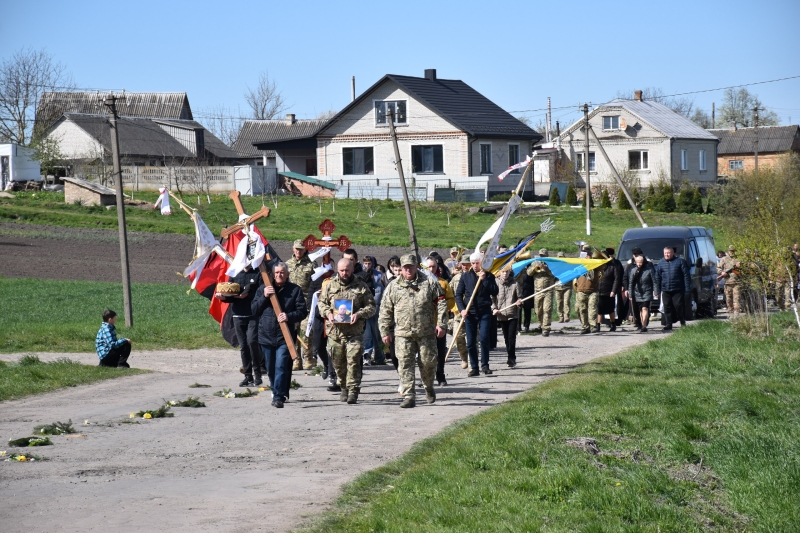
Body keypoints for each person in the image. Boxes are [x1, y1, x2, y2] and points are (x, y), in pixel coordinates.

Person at [380, 254, 448, 408]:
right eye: (405, 267)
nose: (408, 270)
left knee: (428, 363)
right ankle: (409, 395)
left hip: (426, 333)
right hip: (403, 334)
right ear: (401, 268)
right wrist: (385, 331)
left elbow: (442, 303)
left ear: (416, 266)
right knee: (404, 364)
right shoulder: (393, 286)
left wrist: (442, 324)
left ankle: (428, 386)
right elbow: (385, 310)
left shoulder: (429, 282)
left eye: (411, 266)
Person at [318, 258, 376, 404]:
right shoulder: (330, 285)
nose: (344, 273)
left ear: (352, 269)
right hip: (335, 333)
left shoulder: (361, 286)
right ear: (338, 269)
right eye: (342, 270)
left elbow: (371, 307)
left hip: (354, 332)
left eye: (347, 270)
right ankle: (343, 386)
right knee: (338, 363)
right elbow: (321, 303)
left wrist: (359, 314)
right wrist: (328, 313)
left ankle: (353, 390)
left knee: (354, 361)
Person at [251, 262, 307, 408]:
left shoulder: (295, 290)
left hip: (285, 336)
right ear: (272, 274)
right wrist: (264, 296)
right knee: (270, 368)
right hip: (266, 335)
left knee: (281, 366)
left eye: (282, 272)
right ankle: (277, 390)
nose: (279, 275)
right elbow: (254, 310)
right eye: (276, 273)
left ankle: (278, 397)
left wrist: (289, 316)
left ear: (287, 274)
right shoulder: (263, 289)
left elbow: (302, 311)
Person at [217, 264, 264, 386]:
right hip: (237, 315)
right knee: (243, 346)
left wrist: (247, 295)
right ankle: (248, 376)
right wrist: (222, 298)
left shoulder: (258, 273)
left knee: (252, 342)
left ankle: (258, 374)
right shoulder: (235, 273)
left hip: (253, 314)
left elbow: (261, 294)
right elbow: (229, 293)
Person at [455, 252, 499, 376]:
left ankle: (485, 365)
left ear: (482, 263)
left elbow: (495, 291)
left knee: (484, 338)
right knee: (470, 341)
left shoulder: (489, 275)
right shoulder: (465, 276)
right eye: (473, 263)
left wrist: (484, 280)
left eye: (477, 263)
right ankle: (474, 367)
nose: (474, 266)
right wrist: (462, 309)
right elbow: (458, 294)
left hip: (484, 311)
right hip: (470, 313)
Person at [286, 239, 317, 370]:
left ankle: (308, 357)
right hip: (291, 304)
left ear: (305, 250)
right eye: (297, 248)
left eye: (301, 249)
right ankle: (296, 359)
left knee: (306, 331)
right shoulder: (287, 264)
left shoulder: (312, 264)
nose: (298, 251)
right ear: (293, 249)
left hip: (306, 303)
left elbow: (316, 283)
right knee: (292, 332)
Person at [425, 256, 453, 385]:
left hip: (439, 323)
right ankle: (426, 377)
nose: (431, 269)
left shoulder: (443, 283)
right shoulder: (420, 284)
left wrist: (441, 304)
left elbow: (451, 301)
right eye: (429, 267)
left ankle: (440, 375)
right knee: (425, 353)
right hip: (424, 324)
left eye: (433, 266)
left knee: (440, 351)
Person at [655, 246, 692, 331]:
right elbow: (657, 277)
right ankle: (669, 324)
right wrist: (657, 290)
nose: (667, 255)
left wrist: (687, 289)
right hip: (665, 289)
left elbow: (686, 276)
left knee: (678, 306)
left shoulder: (680, 261)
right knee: (666, 307)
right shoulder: (661, 263)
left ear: (673, 253)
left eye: (668, 253)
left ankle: (682, 321)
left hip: (677, 289)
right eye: (665, 253)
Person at [492, 269, 522, 367]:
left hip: (512, 314)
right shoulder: (495, 283)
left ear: (510, 273)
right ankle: (510, 355)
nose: (505, 274)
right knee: (506, 338)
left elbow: (520, 297)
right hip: (501, 314)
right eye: (503, 271)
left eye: (507, 272)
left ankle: (511, 358)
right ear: (499, 272)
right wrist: (494, 308)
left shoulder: (515, 283)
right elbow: (492, 298)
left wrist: (519, 302)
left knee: (511, 337)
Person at [361, 255, 387, 365]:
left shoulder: (379, 287)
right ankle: (367, 355)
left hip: (377, 314)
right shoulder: (363, 287)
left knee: (378, 337)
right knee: (367, 337)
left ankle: (380, 357)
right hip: (366, 315)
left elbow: (384, 300)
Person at [448, 254, 472, 369]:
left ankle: (473, 362)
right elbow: (449, 293)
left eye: (468, 264)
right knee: (458, 338)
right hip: (458, 314)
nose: (465, 266)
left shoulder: (475, 277)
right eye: (463, 264)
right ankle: (463, 357)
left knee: (473, 340)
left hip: (472, 313)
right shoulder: (456, 279)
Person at [627, 252, 660, 333]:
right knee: (640, 310)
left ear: (643, 262)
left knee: (645, 308)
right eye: (637, 262)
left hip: (647, 292)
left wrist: (656, 292)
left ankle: (644, 325)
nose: (639, 264)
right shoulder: (633, 271)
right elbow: (631, 283)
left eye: (640, 262)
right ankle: (642, 325)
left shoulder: (649, 270)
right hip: (637, 293)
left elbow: (654, 282)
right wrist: (630, 294)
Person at [528, 248, 556, 337]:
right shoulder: (534, 263)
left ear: (547, 256)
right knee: (538, 310)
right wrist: (534, 268)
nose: (542, 257)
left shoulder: (551, 264)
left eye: (544, 255)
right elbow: (529, 273)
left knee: (547, 309)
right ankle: (541, 324)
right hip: (537, 291)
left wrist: (546, 269)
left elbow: (555, 274)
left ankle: (546, 328)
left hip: (548, 290)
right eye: (541, 255)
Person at [574, 245, 601, 334]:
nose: (587, 255)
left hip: (593, 290)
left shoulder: (595, 262)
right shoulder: (579, 263)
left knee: (592, 308)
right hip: (581, 289)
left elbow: (602, 267)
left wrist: (591, 261)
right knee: (582, 309)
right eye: (585, 253)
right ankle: (585, 326)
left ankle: (593, 326)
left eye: (588, 253)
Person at [598, 248, 623, 332]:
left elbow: (617, 279)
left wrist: (613, 291)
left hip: (609, 290)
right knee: (599, 309)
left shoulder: (613, 266)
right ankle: (598, 325)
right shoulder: (599, 266)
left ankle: (613, 324)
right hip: (600, 290)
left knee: (610, 309)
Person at [717, 245, 742, 317]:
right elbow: (718, 268)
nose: (732, 252)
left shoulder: (739, 259)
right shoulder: (724, 259)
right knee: (728, 299)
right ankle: (731, 313)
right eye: (731, 251)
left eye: (733, 251)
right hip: (727, 282)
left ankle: (736, 314)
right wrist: (722, 273)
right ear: (728, 251)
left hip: (737, 282)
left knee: (736, 299)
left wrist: (739, 267)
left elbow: (743, 270)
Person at [554, 251, 572, 323]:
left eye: (562, 257)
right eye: (559, 257)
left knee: (566, 302)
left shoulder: (567, 266)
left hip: (567, 286)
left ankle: (566, 316)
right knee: (559, 303)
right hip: (558, 287)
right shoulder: (555, 266)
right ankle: (560, 316)